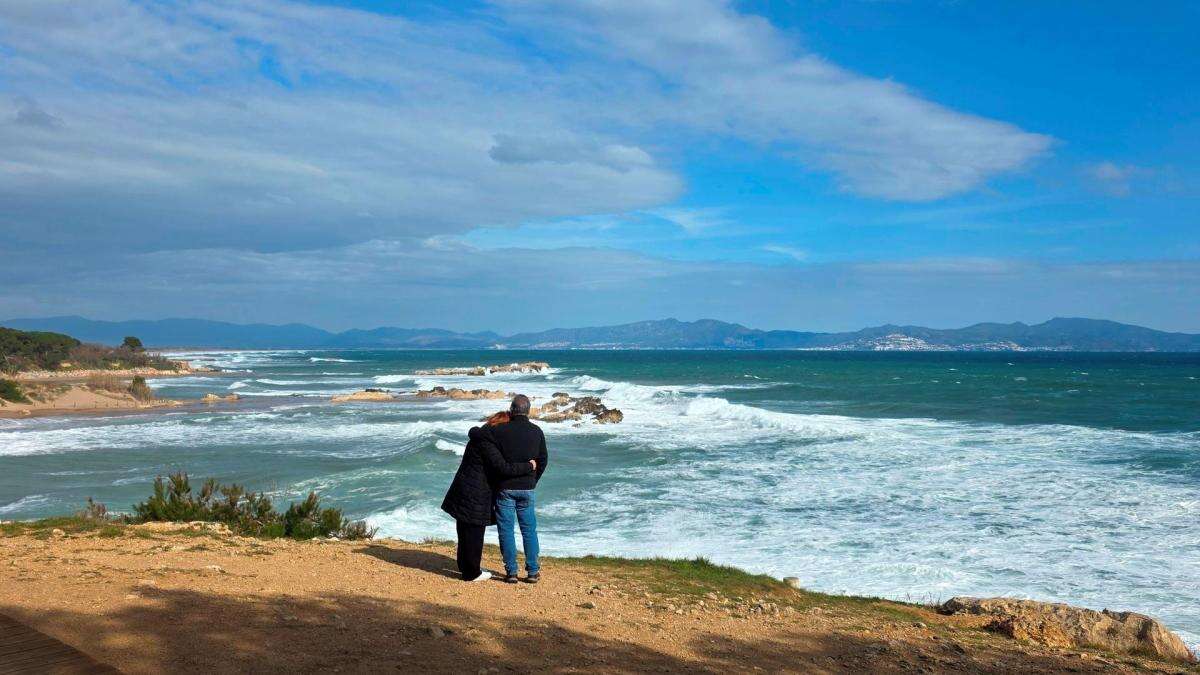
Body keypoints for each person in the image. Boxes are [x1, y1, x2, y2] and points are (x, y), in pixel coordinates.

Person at [440, 411, 537, 582]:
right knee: (474, 532)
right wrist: (529, 466)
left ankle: (466, 566)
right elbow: (503, 468)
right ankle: (471, 573)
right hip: (475, 491)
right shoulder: (487, 443)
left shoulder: (480, 437)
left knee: (464, 530)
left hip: (464, 486)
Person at [489, 394, 548, 583]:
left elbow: (493, 460)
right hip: (527, 487)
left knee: (506, 530)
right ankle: (532, 571)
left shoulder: (501, 431)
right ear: (528, 411)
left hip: (506, 487)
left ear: (512, 409)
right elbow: (543, 459)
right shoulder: (536, 431)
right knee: (529, 530)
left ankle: (512, 572)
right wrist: (533, 480)